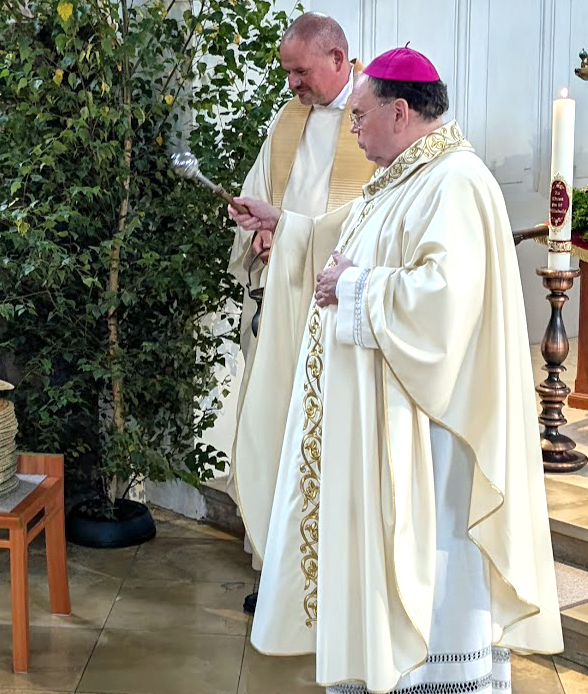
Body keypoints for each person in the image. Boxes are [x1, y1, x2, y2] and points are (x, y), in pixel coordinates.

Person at [228, 47, 563, 692]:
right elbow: (348, 236)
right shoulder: (408, 176)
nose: (352, 129)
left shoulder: (457, 181)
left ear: (400, 111)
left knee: (432, 570)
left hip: (431, 439)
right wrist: (287, 226)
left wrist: (357, 288)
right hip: (390, 425)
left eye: (359, 116)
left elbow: (445, 302)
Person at [224, 12, 376, 641]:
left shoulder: (375, 117)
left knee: (328, 440)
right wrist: (260, 234)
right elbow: (262, 193)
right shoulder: (288, 120)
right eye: (288, 72)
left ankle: (333, 580)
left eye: (301, 71)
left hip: (337, 311)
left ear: (339, 59)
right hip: (283, 304)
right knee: (279, 430)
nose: (292, 84)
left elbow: (370, 221)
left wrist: (286, 230)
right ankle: (279, 569)